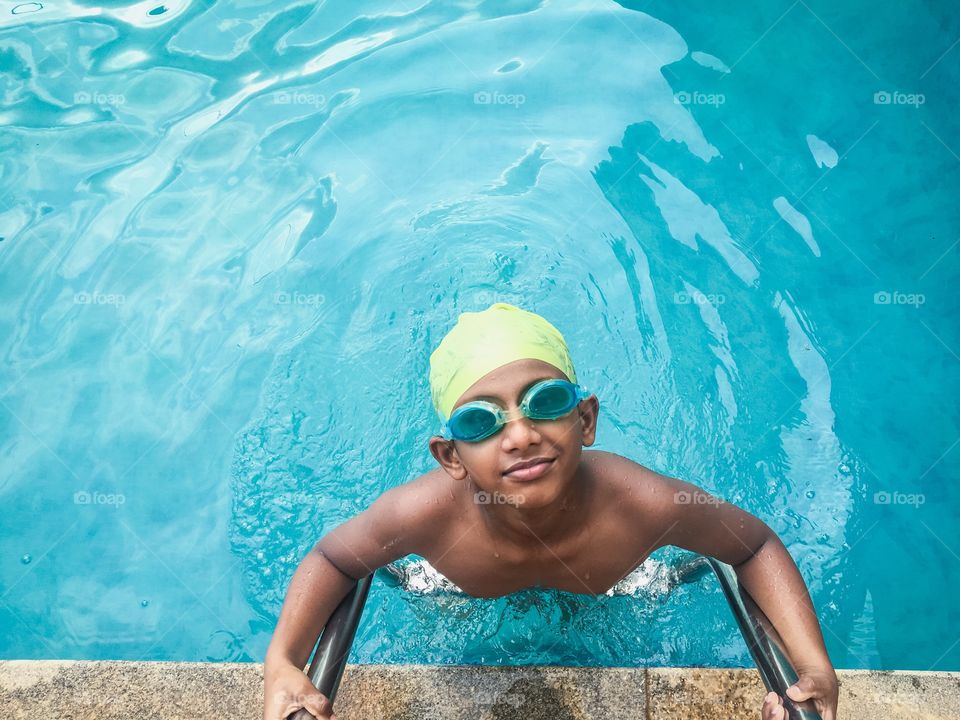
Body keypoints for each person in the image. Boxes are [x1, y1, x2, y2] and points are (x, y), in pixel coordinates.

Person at [263, 302, 839, 720]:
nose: (519, 435)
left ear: (584, 420)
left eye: (545, 402)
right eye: (480, 421)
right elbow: (335, 560)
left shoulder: (643, 504)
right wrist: (283, 662)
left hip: (615, 582)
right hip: (455, 586)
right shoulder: (421, 516)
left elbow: (753, 547)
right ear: (450, 456)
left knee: (655, 585)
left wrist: (812, 664)